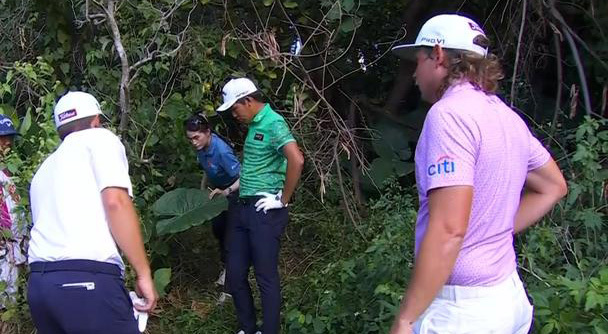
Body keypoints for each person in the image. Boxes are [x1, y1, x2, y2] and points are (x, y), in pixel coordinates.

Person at [389, 14, 568, 334]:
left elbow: (448, 230)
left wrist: (406, 319)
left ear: (438, 55)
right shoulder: (505, 115)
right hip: (506, 296)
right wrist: (491, 233)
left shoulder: (448, 116)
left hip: (464, 311)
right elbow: (553, 186)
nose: (414, 73)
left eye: (418, 61)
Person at [27, 91, 157, 333]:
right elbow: (116, 202)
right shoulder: (99, 140)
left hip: (40, 286)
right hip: (84, 280)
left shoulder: (44, 169)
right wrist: (144, 273)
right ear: (96, 120)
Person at [217, 78, 304, 334]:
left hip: (265, 210)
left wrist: (283, 199)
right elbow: (255, 166)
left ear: (248, 100)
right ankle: (247, 327)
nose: (234, 115)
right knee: (235, 272)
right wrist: (232, 188)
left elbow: (296, 160)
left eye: (235, 109)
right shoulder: (254, 125)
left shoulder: (273, 122)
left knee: (265, 276)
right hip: (243, 207)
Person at [184, 113, 240, 296]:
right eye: (190, 139)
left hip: (235, 192)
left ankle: (230, 290)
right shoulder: (200, 148)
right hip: (217, 193)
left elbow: (243, 177)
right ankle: (227, 270)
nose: (193, 142)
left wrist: (227, 191)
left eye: (196, 137)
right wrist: (203, 191)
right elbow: (207, 171)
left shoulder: (222, 151)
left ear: (207, 132)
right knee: (219, 231)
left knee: (232, 238)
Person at [0, 115, 26, 309]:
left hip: (13, 250)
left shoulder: (11, 175)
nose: (7, 142)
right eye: (1, 138)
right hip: (3, 247)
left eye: (10, 138)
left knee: (9, 306)